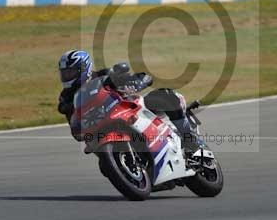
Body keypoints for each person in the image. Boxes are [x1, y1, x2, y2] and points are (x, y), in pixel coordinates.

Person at [57, 50, 196, 147]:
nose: (67, 77)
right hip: (101, 129)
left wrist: (136, 83)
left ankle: (190, 141)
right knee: (104, 166)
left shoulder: (103, 75)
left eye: (71, 72)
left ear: (84, 68)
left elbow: (142, 77)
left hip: (128, 109)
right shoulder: (66, 98)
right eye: (65, 73)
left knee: (166, 96)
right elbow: (75, 127)